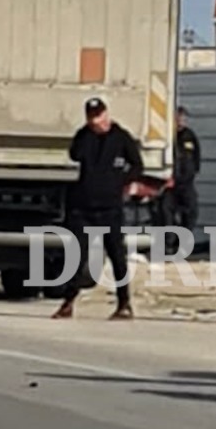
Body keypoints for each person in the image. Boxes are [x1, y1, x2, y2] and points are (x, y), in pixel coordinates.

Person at [55, 97, 145, 321]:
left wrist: (121, 181)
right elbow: (75, 154)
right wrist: (88, 133)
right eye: (90, 117)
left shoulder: (120, 138)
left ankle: (124, 303)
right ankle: (68, 302)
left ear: (106, 114)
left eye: (97, 116)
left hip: (109, 207)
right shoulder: (84, 135)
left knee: (117, 256)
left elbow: (137, 164)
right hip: (84, 207)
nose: (94, 121)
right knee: (77, 255)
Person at [168, 106, 201, 236]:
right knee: (167, 214)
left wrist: (193, 171)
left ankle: (184, 239)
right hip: (169, 183)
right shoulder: (169, 137)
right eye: (178, 118)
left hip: (186, 182)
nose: (181, 121)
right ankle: (169, 243)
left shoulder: (189, 135)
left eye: (184, 119)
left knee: (191, 211)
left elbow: (196, 156)